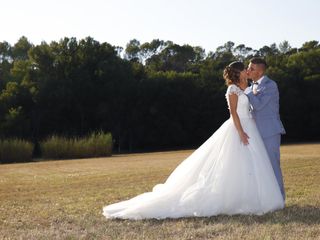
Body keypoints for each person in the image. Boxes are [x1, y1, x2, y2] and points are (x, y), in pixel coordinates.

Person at [102, 61, 284, 220]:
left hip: (250, 127)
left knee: (251, 166)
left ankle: (253, 197)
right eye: (245, 69)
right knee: (235, 164)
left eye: (249, 69)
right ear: (238, 72)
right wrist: (241, 132)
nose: (247, 70)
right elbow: (233, 113)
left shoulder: (245, 88)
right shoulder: (233, 89)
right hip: (240, 129)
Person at [245, 57, 286, 200]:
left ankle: (280, 199)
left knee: (273, 165)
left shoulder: (270, 85)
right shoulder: (250, 88)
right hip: (254, 133)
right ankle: (265, 198)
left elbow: (259, 105)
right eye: (248, 67)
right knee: (258, 166)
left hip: (269, 132)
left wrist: (248, 92)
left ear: (260, 71)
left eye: (251, 68)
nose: (248, 70)